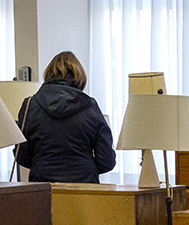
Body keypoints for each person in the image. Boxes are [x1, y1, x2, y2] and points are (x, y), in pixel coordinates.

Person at [15, 51, 115, 183]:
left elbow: (21, 155)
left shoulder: (29, 105)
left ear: (48, 75)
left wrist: (43, 163)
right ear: (79, 77)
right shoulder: (90, 106)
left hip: (43, 185)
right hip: (85, 188)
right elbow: (106, 160)